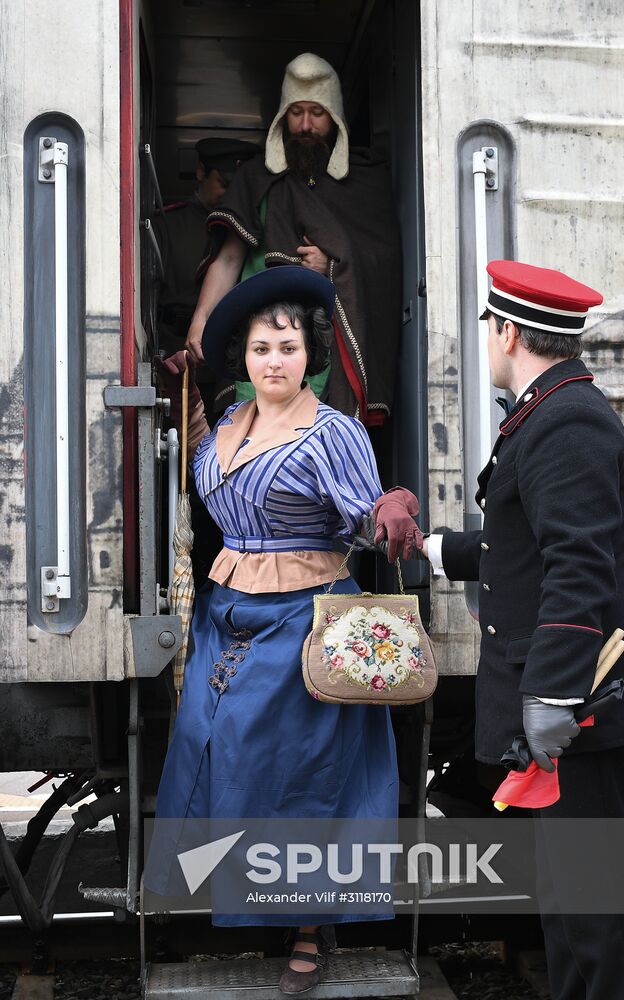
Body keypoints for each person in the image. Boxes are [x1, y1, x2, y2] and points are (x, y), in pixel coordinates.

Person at [380, 260, 624, 1000]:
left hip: (583, 714)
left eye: (489, 329)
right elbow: (531, 544)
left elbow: (577, 568)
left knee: (598, 913)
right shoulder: (550, 409)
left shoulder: (566, 420)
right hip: (574, 711)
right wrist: (436, 548)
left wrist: (546, 698)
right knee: (571, 907)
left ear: (508, 331)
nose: (487, 341)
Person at [145, 266, 399, 994]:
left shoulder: (335, 432)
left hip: (305, 617)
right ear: (245, 359)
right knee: (211, 747)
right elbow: (207, 475)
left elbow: (361, 518)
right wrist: (185, 399)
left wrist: (386, 517)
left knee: (298, 774)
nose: (274, 361)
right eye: (260, 349)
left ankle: (312, 928)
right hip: (227, 614)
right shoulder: (227, 421)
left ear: (309, 351)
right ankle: (234, 896)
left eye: (286, 347)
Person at [184, 52, 402, 425]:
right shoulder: (256, 178)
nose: (304, 125)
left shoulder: (363, 183)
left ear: (334, 118)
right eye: (295, 112)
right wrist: (200, 320)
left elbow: (384, 264)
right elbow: (229, 258)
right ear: (282, 116)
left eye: (316, 113)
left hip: (321, 353)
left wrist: (332, 265)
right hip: (257, 344)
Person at [155, 137, 259, 417]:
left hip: (230, 356)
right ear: (201, 172)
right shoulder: (168, 223)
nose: (230, 195)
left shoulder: (250, 228)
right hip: (176, 350)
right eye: (224, 184)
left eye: (237, 188)